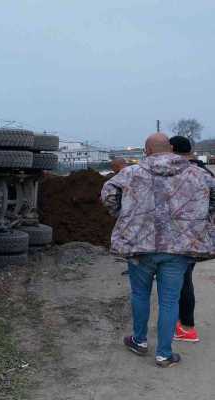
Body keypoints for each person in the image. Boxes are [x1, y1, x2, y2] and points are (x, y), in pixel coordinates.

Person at [101, 132, 215, 367]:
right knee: (169, 300)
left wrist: (124, 215)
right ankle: (164, 354)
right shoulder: (198, 174)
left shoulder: (131, 173)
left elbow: (108, 194)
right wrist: (201, 218)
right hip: (178, 249)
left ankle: (139, 341)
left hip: (140, 246)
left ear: (147, 151)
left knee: (140, 294)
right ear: (170, 149)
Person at [169, 135, 213, 343]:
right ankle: (181, 324)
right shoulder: (205, 173)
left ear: (172, 149)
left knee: (182, 281)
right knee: (183, 279)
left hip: (179, 238)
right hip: (196, 237)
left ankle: (187, 327)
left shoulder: (180, 173)